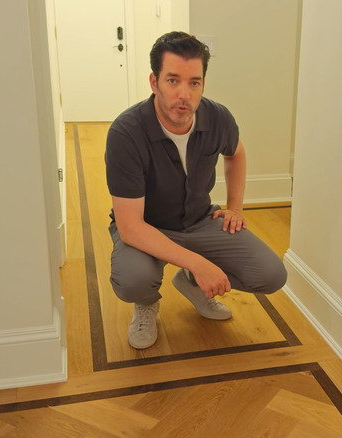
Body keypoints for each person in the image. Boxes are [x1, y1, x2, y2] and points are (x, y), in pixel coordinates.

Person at [105, 31, 287, 349]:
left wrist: (235, 207)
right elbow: (131, 227)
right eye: (173, 81)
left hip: (200, 220)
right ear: (154, 82)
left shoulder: (218, 117)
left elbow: (236, 153)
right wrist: (199, 263)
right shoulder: (126, 133)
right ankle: (147, 303)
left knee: (272, 274)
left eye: (194, 83)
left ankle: (189, 283)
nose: (184, 95)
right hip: (147, 227)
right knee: (133, 280)